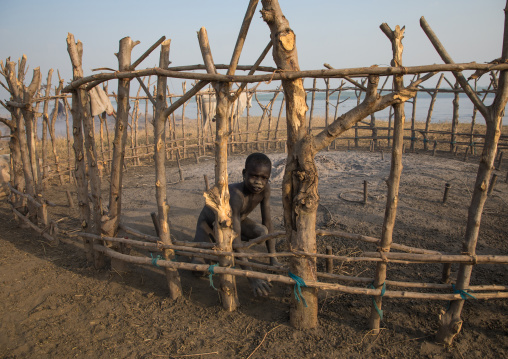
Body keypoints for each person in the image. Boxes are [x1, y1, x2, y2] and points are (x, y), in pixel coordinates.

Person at [192, 153, 279, 296]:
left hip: (235, 221)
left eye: (264, 178)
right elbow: (235, 237)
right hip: (209, 226)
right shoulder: (235, 195)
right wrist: (252, 277)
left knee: (262, 232)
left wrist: (273, 259)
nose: (259, 182)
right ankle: (204, 248)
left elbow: (267, 221)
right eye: (254, 176)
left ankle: (230, 249)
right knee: (200, 270)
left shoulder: (265, 190)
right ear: (244, 174)